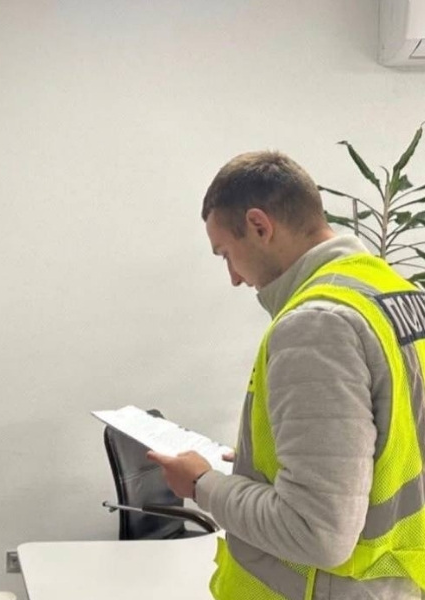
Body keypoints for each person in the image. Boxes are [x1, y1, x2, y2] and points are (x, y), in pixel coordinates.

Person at [149, 151, 425, 599]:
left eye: (226, 253)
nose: (234, 277)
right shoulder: (398, 294)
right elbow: (388, 448)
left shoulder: (318, 326)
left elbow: (317, 533)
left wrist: (201, 484)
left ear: (259, 226)